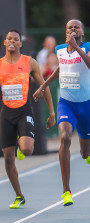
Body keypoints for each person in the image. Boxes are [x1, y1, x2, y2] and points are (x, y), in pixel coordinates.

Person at [34, 19, 90, 207]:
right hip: (66, 103)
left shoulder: (88, 47)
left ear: (82, 32)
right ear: (65, 31)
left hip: (86, 105)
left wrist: (77, 48)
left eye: (76, 27)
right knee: (65, 137)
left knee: (85, 154)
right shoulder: (60, 49)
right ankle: (66, 191)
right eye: (69, 27)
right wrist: (43, 85)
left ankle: (89, 149)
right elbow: (61, 68)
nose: (72, 29)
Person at [0, 29, 56, 209]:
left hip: (24, 112)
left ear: (20, 44)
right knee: (8, 160)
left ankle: (21, 144)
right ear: (4, 42)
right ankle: (19, 195)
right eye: (9, 39)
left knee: (27, 149)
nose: (12, 42)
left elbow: (45, 86)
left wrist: (52, 113)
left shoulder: (29, 63)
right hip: (6, 115)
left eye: (16, 39)